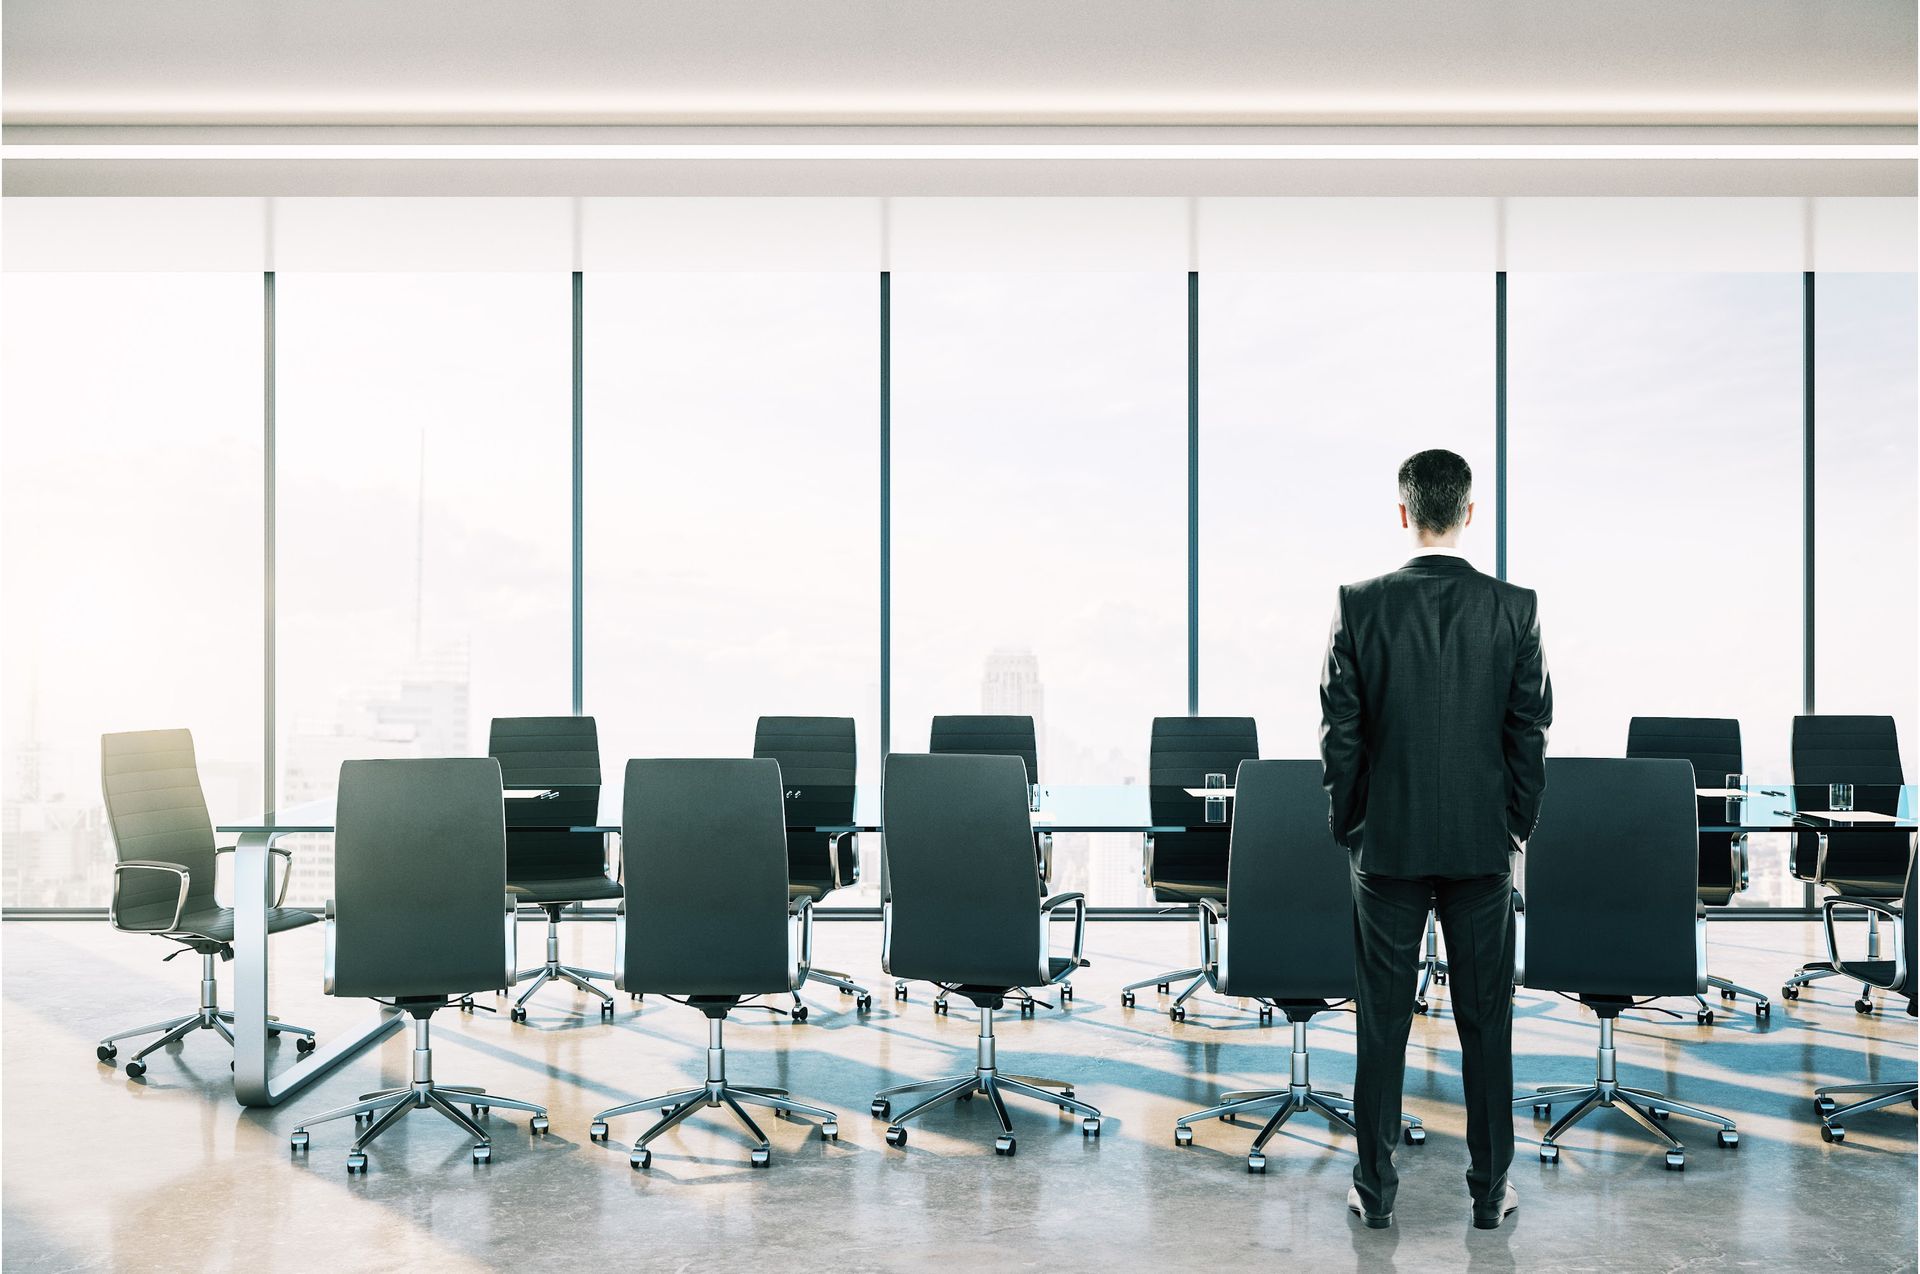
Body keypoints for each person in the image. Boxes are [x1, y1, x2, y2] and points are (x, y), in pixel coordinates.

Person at [1319, 448, 1551, 1232]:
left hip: (1387, 846)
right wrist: (1514, 826)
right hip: (1481, 848)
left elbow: (1340, 735)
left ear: (1404, 512)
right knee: (1487, 1025)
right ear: (1469, 512)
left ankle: (1374, 1191)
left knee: (1381, 1024)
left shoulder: (1358, 604)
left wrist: (1354, 827)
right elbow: (1529, 731)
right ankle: (1490, 1192)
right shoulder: (1514, 607)